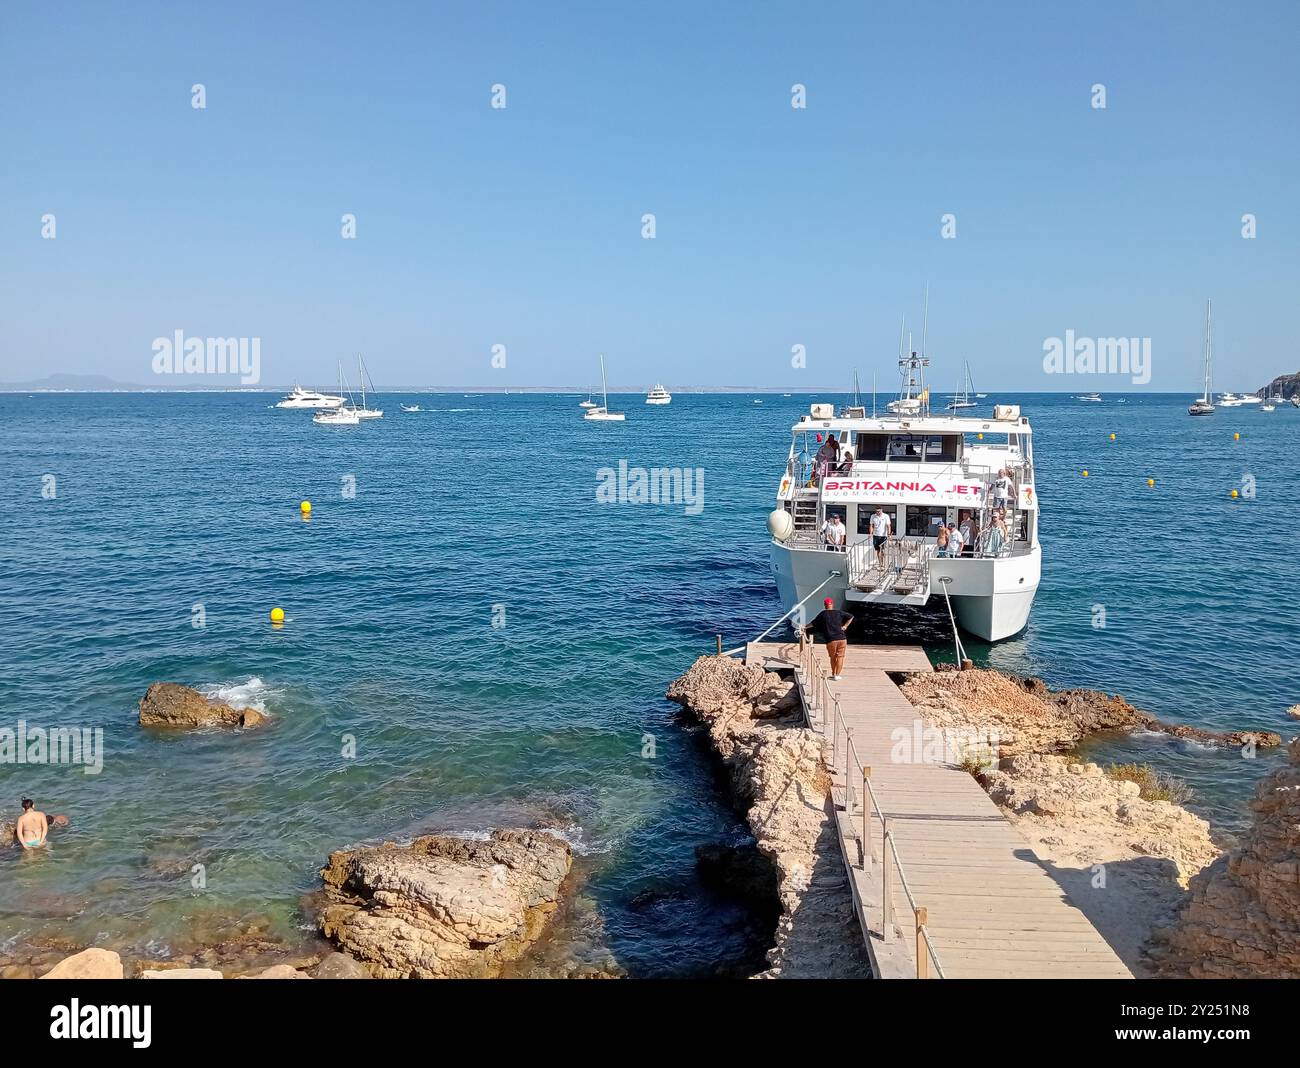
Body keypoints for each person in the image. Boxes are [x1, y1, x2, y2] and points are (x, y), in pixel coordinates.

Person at [803, 597, 854, 680]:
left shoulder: (823, 614)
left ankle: (834, 674)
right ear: (832, 604)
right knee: (840, 657)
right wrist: (845, 626)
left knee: (833, 658)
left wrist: (804, 627)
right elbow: (851, 616)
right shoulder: (839, 612)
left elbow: (813, 623)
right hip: (842, 638)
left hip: (831, 639)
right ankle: (837, 675)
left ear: (824, 605)